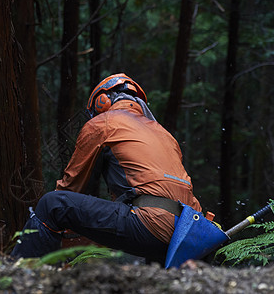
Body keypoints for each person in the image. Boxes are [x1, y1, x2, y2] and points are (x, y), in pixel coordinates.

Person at [11, 73, 202, 264]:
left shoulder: (104, 122)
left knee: (52, 205)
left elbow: (71, 187)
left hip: (149, 225)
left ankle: (20, 276)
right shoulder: (166, 136)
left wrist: (58, 227)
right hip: (187, 232)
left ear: (102, 100)